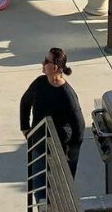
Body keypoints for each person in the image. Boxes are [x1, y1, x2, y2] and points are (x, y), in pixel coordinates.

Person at [20, 46, 85, 177]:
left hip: (58, 151)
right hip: (38, 145)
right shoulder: (39, 83)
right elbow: (25, 102)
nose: (42, 63)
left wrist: (70, 154)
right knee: (40, 192)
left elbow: (79, 126)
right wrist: (25, 128)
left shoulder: (67, 96)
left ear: (55, 68)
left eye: (46, 61)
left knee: (57, 193)